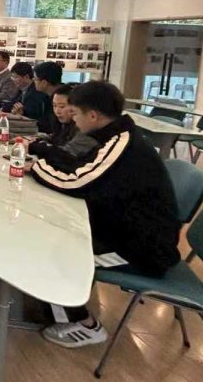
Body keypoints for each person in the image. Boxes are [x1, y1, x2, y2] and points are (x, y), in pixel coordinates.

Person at [29, 81, 180, 348]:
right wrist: (42, 156)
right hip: (119, 229)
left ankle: (84, 324)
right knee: (52, 233)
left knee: (52, 253)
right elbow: (80, 166)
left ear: (93, 116)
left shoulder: (122, 144)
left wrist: (36, 169)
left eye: (75, 113)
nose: (73, 119)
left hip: (141, 250)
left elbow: (77, 182)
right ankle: (53, 303)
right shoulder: (113, 136)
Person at [29, 84, 98, 159]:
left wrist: (35, 147)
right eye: (54, 106)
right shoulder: (64, 124)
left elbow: (66, 153)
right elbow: (56, 138)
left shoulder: (86, 128)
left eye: (62, 106)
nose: (57, 111)